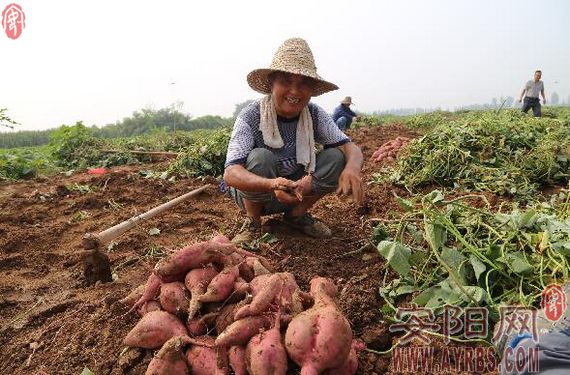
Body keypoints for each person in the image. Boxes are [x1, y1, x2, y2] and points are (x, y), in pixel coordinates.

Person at [223, 37, 364, 245]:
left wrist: (352, 168)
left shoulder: (314, 114)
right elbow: (231, 172)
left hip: (298, 193)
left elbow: (349, 147)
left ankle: (296, 216)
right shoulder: (251, 116)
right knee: (260, 157)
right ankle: (253, 223)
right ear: (272, 83)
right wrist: (272, 184)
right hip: (257, 194)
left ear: (312, 89)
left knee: (336, 156)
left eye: (304, 84)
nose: (295, 92)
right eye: (286, 81)